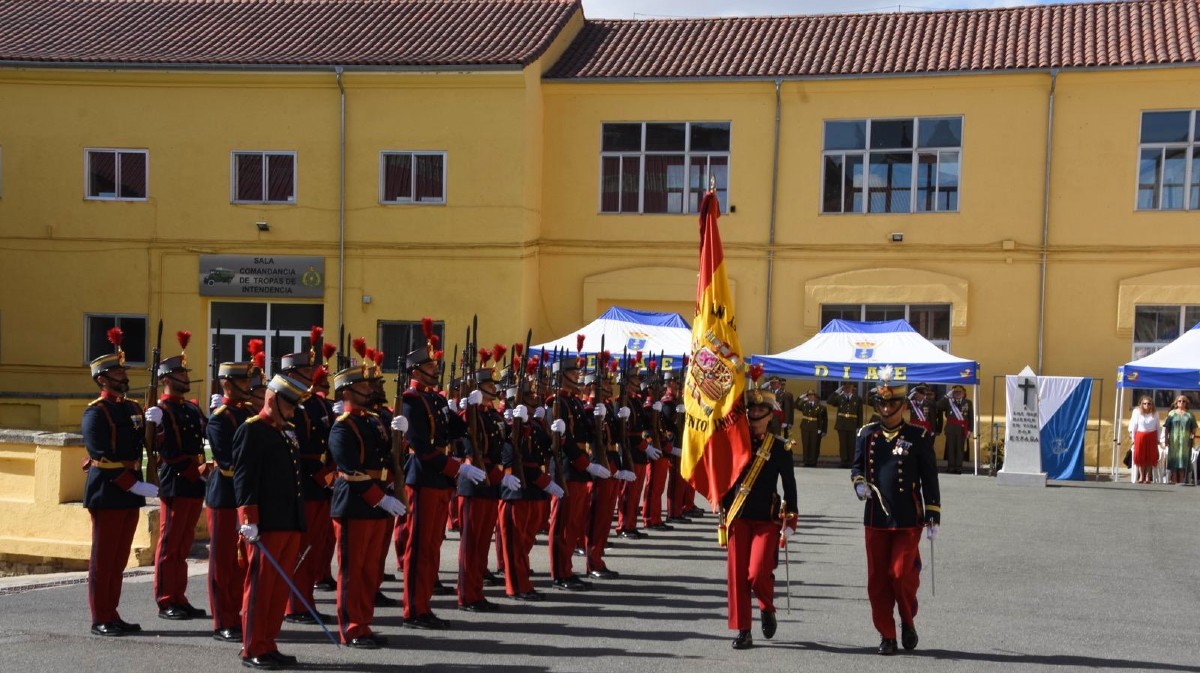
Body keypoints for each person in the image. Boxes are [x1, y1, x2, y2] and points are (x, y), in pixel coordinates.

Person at [850, 368, 940, 656]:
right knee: (877, 581)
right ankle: (887, 634)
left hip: (906, 517)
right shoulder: (867, 434)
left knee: (900, 574)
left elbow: (929, 478)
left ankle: (907, 620)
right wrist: (859, 483)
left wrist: (933, 514)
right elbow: (857, 467)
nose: (886, 409)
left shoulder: (918, 436)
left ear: (902, 406)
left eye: (892, 404)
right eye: (882, 404)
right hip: (876, 517)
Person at [400, 329, 486, 629]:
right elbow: (421, 448)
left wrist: (467, 410)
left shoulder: (434, 400)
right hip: (424, 478)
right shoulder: (411, 401)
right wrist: (456, 468)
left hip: (437, 480)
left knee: (432, 546)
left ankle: (423, 604)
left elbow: (454, 432)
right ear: (416, 370)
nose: (436, 369)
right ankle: (413, 609)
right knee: (420, 546)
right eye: (431, 366)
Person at [82, 327, 159, 637]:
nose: (124, 375)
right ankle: (101, 616)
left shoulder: (130, 408)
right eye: (118, 371)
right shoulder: (95, 413)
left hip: (128, 493)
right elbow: (101, 457)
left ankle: (112, 612)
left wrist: (158, 425)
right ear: (103, 379)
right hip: (108, 492)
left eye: (124, 370)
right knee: (104, 560)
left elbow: (147, 443)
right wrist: (133, 484)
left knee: (118, 559)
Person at [232, 374, 310, 669]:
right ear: (272, 399)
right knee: (260, 588)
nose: (292, 411)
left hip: (288, 520)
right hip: (266, 525)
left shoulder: (284, 431)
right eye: (289, 405)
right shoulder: (252, 431)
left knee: (278, 588)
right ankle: (252, 647)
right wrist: (248, 519)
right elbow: (244, 477)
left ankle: (268, 642)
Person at [328, 360, 405, 649]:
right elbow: (349, 470)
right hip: (355, 505)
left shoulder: (372, 421)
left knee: (370, 569)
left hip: (375, 504)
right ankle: (351, 627)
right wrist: (380, 497)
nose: (369, 389)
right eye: (362, 386)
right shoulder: (343, 427)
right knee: (353, 571)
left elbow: (388, 459)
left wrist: (400, 436)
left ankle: (364, 623)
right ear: (346, 392)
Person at [722, 368, 797, 650]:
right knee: (738, 575)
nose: (755, 417)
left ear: (770, 415)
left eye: (760, 412)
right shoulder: (733, 441)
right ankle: (743, 629)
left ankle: (766, 606)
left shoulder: (780, 448)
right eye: (751, 411)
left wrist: (791, 517)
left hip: (766, 519)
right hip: (738, 516)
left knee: (757, 572)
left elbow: (790, 486)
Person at [148, 331, 208, 621]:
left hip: (194, 483)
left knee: (183, 545)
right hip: (176, 481)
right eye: (182, 375)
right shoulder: (160, 411)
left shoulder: (191, 409)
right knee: (170, 545)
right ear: (169, 379)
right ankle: (165, 598)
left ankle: (179, 596)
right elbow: (166, 449)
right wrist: (154, 426)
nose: (187, 378)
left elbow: (206, 433)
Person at [280, 340, 336, 625]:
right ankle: (294, 604)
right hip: (303, 485)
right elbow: (294, 451)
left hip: (320, 484)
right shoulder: (291, 407)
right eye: (305, 373)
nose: (311, 377)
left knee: (314, 546)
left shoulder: (317, 404)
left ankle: (305, 601)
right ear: (292, 375)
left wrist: (330, 475)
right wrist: (322, 476)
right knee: (300, 548)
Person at [205, 357, 261, 643]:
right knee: (223, 561)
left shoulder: (249, 413)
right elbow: (228, 463)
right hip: (225, 496)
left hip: (246, 494)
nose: (247, 386)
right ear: (227, 384)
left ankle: (239, 615)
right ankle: (222, 620)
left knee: (242, 563)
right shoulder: (219, 419)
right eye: (241, 381)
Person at [935, 385, 973, 474]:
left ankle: (959, 467)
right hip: (950, 429)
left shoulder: (968, 403)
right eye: (955, 392)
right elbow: (938, 406)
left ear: (963, 393)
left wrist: (970, 430)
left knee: (960, 449)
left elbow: (971, 417)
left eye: (960, 392)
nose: (957, 394)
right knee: (950, 449)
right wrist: (946, 396)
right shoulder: (948, 402)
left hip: (962, 429)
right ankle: (951, 467)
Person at [1161, 395, 1198, 485]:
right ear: (1176, 403)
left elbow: (1194, 427)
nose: (1181, 403)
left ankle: (1182, 478)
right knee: (1173, 457)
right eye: (1179, 401)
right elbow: (1167, 428)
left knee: (1183, 458)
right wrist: (1166, 439)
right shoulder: (1172, 413)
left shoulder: (1190, 414)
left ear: (1186, 403)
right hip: (1173, 439)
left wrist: (1192, 436)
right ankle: (1173, 477)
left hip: (1185, 440)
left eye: (1183, 401)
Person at [828, 383, 864, 469]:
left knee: (852, 444)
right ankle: (843, 461)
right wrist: (836, 392)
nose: (847, 389)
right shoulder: (840, 397)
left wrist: (859, 426)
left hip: (852, 424)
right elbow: (829, 401)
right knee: (843, 444)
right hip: (842, 424)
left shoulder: (857, 399)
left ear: (852, 388)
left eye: (849, 388)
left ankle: (851, 461)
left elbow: (860, 413)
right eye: (845, 388)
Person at [1128, 396, 1161, 484]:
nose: (1146, 405)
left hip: (1152, 436)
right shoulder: (1137, 412)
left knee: (1150, 456)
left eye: (1149, 403)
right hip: (1140, 436)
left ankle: (1147, 476)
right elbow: (1134, 425)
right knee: (1140, 456)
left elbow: (1158, 427)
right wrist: (1133, 438)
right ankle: (1141, 476)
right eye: (1144, 403)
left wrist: (1158, 439)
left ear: (1152, 405)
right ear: (1141, 404)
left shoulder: (1155, 413)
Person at [797, 390, 828, 467]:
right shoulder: (804, 405)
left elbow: (821, 418)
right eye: (809, 396)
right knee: (805, 444)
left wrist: (820, 428)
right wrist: (801, 397)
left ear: (814, 397)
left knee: (813, 445)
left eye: (812, 395)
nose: (810, 397)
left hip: (814, 427)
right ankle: (805, 461)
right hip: (805, 426)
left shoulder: (818, 407)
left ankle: (812, 461)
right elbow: (796, 405)